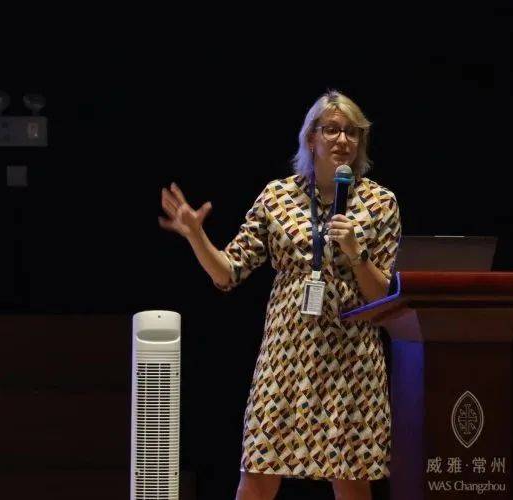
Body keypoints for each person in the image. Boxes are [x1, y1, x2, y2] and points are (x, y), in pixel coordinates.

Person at [159, 90, 401, 500]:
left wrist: (356, 253)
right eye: (331, 130)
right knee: (257, 475)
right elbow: (228, 272)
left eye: (352, 132)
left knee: (352, 479)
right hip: (286, 357)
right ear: (311, 137)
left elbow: (382, 296)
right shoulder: (278, 197)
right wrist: (197, 236)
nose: (343, 140)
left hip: (352, 359)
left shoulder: (380, 203)